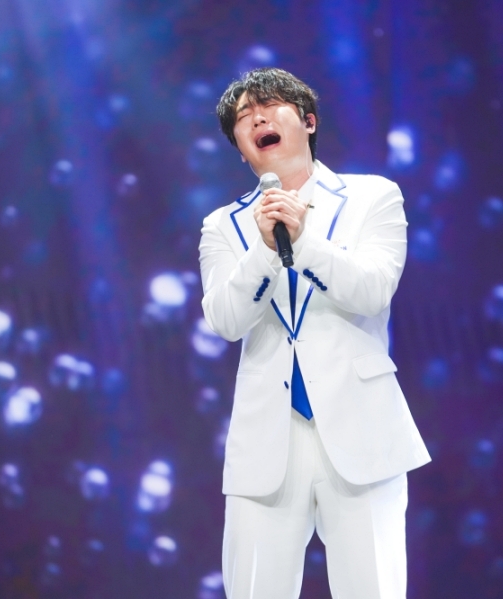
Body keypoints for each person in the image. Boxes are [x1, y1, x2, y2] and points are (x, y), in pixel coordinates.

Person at [198, 67, 430, 599]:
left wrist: (302, 242)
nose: (257, 118)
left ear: (308, 122)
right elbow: (225, 320)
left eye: (270, 106)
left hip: (362, 431)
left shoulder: (373, 197)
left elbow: (373, 290)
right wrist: (264, 250)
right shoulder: (222, 226)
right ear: (241, 151)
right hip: (267, 442)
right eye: (243, 117)